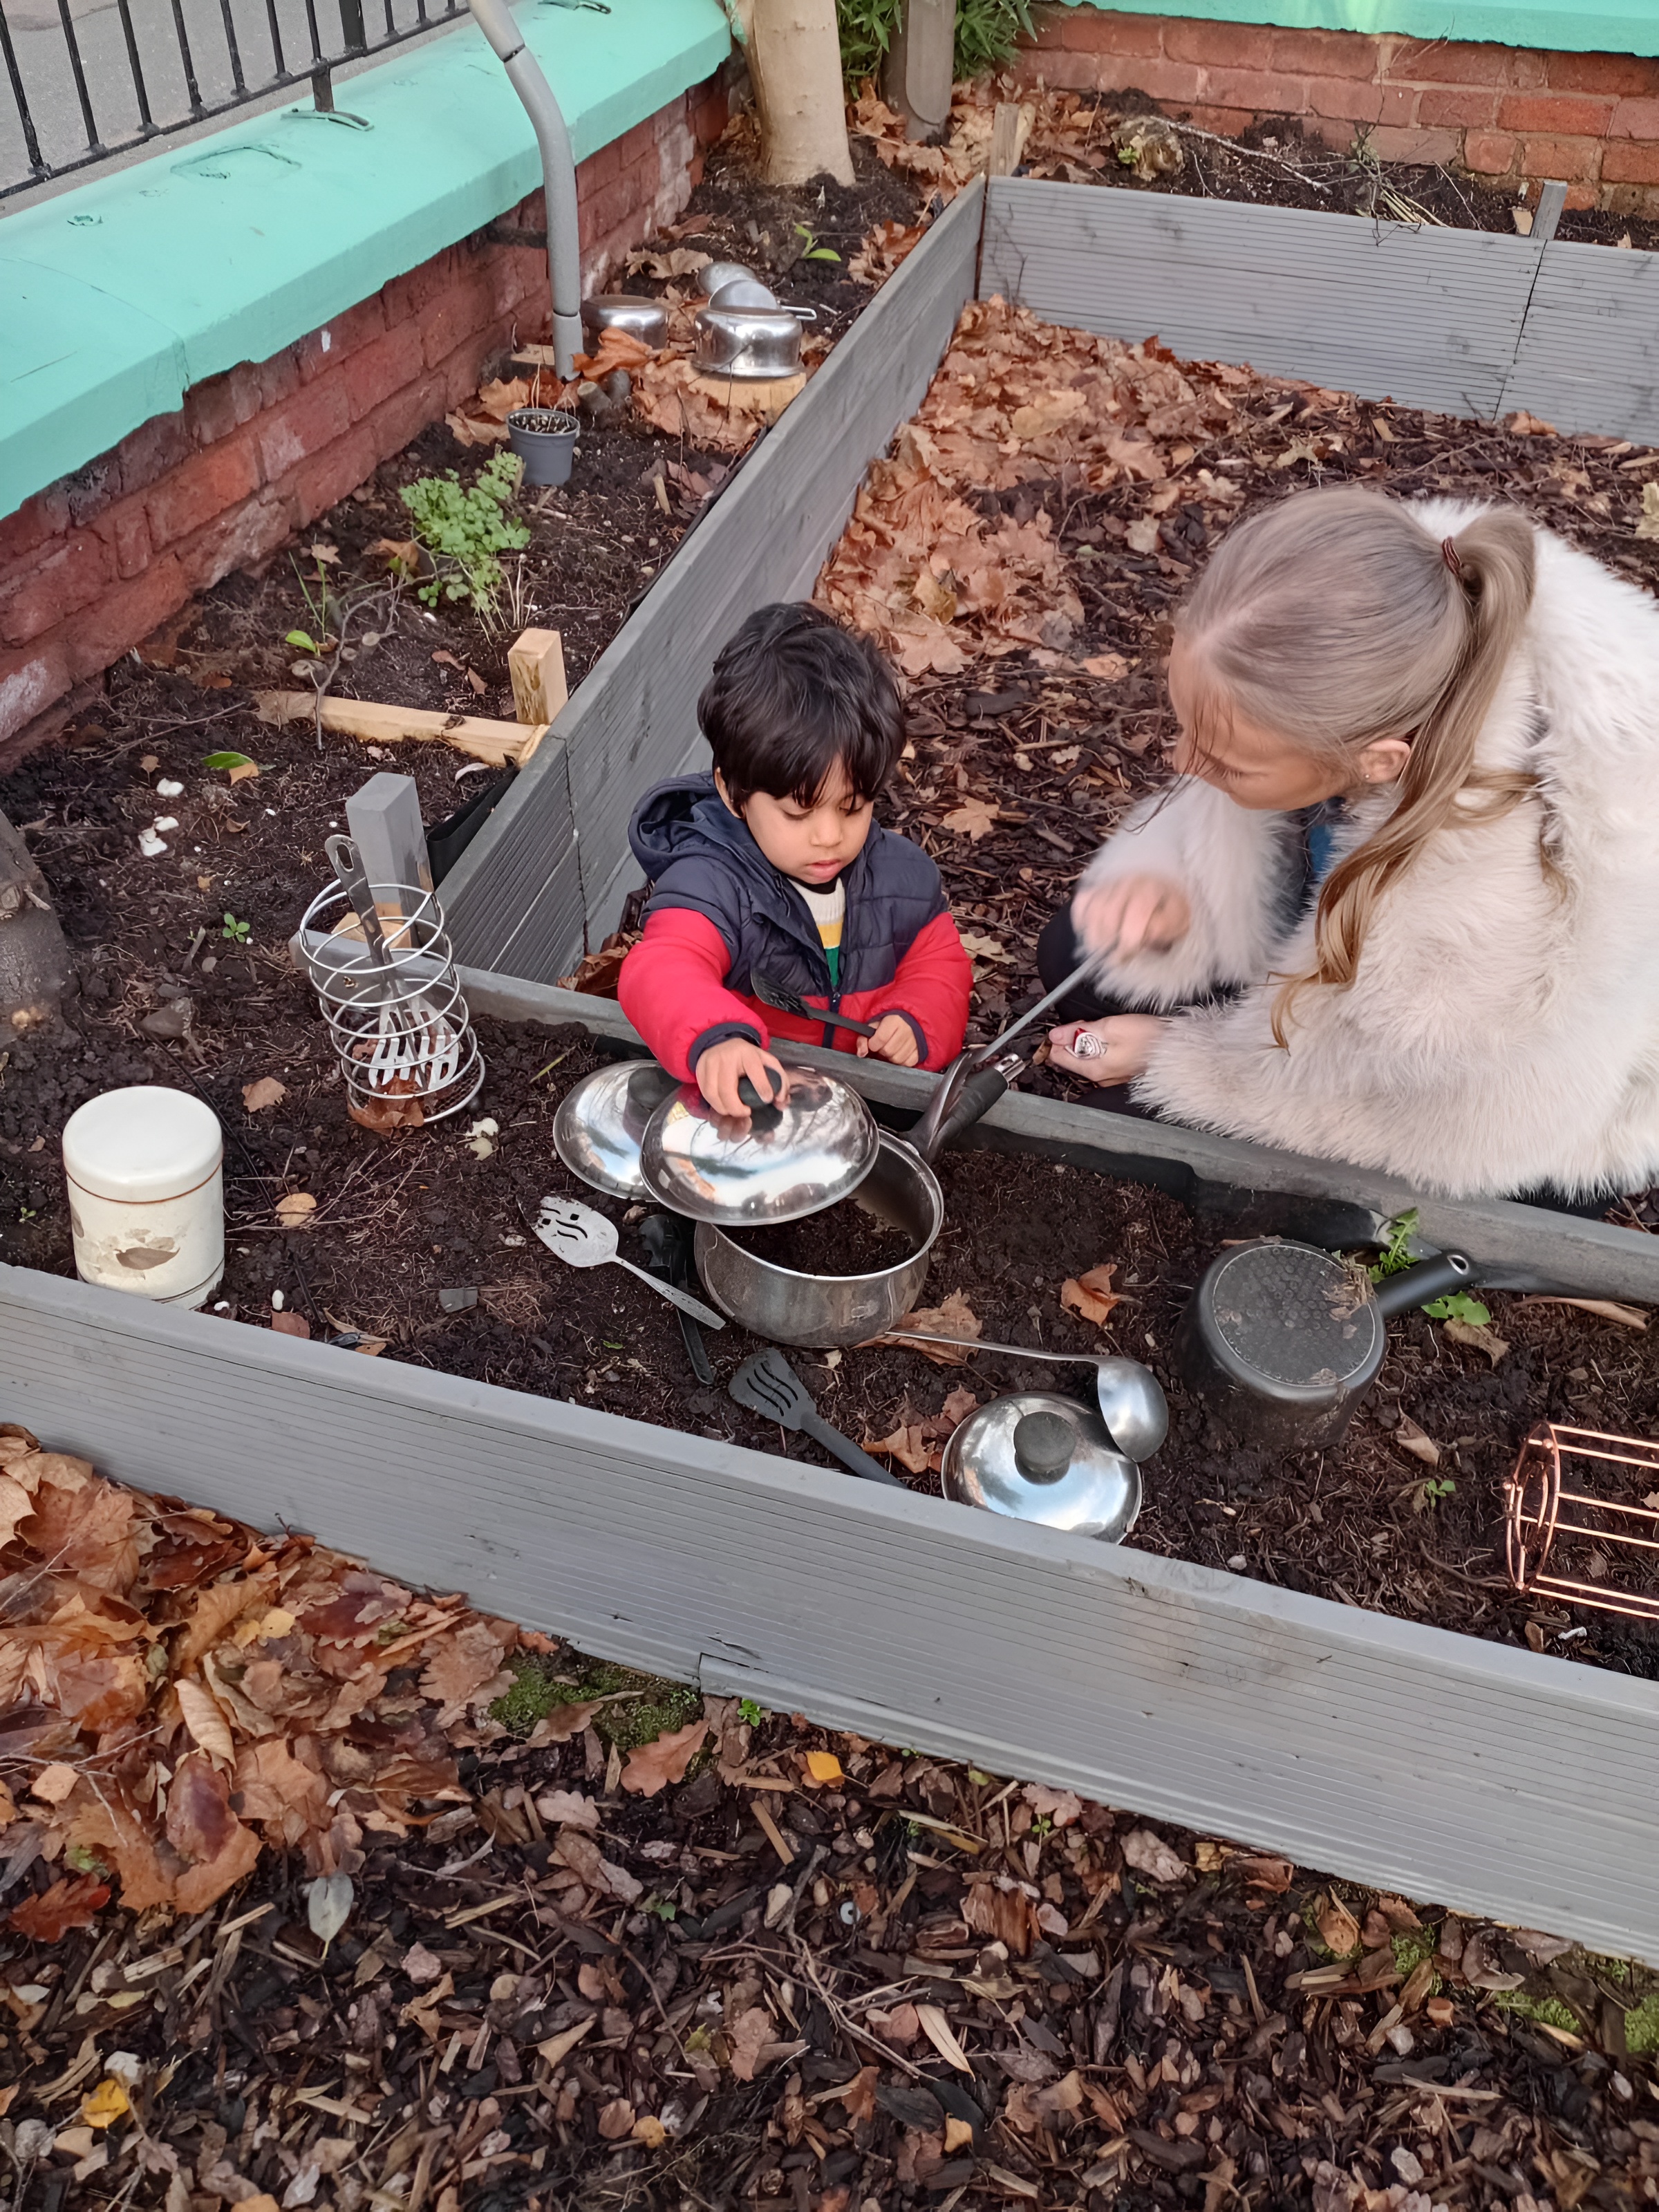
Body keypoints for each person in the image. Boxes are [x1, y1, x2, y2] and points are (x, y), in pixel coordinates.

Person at [1038, 485, 1659, 1202]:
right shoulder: (1375, 633)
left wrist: (1181, 1062)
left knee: (1133, 1144)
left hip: (1502, 1107)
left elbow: (1431, 1123)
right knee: (1077, 957)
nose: (1180, 764)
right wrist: (1177, 882)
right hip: (1369, 960)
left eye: (1227, 762)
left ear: (1378, 761)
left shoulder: (1502, 904)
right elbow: (1238, 795)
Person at [619, 602, 973, 1116]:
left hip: (867, 1105)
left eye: (852, 807)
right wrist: (718, 1038)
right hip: (755, 1106)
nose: (829, 836)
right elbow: (663, 966)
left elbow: (940, 966)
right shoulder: (711, 882)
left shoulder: (900, 878)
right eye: (797, 814)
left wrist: (916, 1021)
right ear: (733, 792)